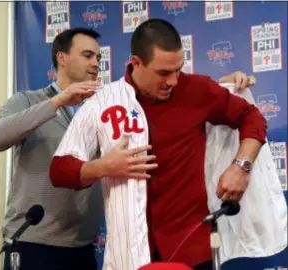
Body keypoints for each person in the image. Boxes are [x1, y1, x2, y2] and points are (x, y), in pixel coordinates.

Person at [49, 20, 270, 270]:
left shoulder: (197, 89)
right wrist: (103, 167)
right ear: (136, 63)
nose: (174, 81)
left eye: (178, 70)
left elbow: (252, 117)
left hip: (192, 251)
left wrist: (241, 167)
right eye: (163, 73)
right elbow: (59, 170)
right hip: (128, 256)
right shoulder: (102, 101)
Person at [0, 27, 151, 270]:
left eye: (98, 57)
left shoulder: (102, 110)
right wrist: (58, 101)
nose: (96, 63)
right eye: (87, 55)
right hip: (33, 242)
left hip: (82, 247)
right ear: (61, 58)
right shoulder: (28, 100)